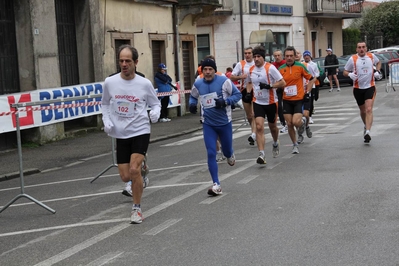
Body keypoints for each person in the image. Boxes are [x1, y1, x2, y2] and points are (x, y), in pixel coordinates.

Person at [101, 44, 161, 224]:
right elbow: (104, 104)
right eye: (121, 61)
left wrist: (155, 113)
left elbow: (155, 103)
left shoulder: (144, 83)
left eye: (128, 61)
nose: (124, 64)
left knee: (133, 170)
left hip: (140, 130)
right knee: (125, 176)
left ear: (136, 62)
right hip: (120, 132)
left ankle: (136, 209)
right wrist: (107, 121)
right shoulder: (110, 82)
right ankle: (143, 170)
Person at [189, 58, 242, 196]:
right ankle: (216, 184)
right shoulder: (198, 83)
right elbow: (193, 96)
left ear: (214, 70)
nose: (207, 72)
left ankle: (230, 153)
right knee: (211, 152)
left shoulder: (224, 81)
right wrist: (192, 104)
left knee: (227, 151)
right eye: (205, 69)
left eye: (210, 69)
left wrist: (225, 102)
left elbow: (238, 95)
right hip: (208, 124)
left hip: (224, 123)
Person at [246, 46, 286, 164]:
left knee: (273, 127)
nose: (256, 59)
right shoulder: (251, 70)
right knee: (259, 127)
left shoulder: (270, 68)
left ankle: (275, 142)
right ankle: (261, 154)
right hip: (258, 102)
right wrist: (248, 93)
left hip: (271, 102)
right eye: (255, 57)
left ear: (263, 58)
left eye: (258, 57)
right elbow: (249, 82)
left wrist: (270, 86)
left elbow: (283, 82)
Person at [278, 46, 316, 154]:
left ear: (294, 56)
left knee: (295, 122)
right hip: (286, 100)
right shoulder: (281, 69)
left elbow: (312, 78)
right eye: (287, 56)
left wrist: (307, 91)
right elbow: (277, 81)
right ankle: (295, 144)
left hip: (298, 99)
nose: (289, 58)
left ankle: (303, 122)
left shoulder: (300, 66)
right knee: (289, 124)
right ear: (284, 57)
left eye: (291, 56)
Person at [343, 41, 381, 143]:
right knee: (363, 111)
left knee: (369, 109)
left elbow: (379, 62)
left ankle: (368, 132)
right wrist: (350, 75)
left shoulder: (371, 56)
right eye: (359, 47)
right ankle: (365, 126)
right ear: (356, 49)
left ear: (366, 48)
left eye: (363, 47)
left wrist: (377, 71)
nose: (361, 49)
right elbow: (345, 71)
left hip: (370, 86)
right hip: (358, 88)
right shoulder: (353, 59)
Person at [230, 47, 257, 145]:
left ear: (253, 54)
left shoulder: (256, 63)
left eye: (249, 53)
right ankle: (254, 131)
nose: (247, 55)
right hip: (244, 90)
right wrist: (240, 77)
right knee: (249, 116)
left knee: (254, 114)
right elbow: (231, 77)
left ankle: (253, 134)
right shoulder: (240, 64)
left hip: (256, 90)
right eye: (245, 53)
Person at [301, 50, 320, 143]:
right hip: (300, 90)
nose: (306, 57)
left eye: (308, 56)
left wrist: (312, 82)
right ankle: (301, 132)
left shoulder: (312, 65)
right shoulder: (301, 64)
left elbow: (315, 74)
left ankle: (310, 116)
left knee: (311, 101)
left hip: (311, 86)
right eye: (305, 56)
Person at [272, 49, 287, 134]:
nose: (277, 57)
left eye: (278, 55)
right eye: (275, 56)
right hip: (277, 88)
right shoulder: (272, 65)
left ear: (282, 56)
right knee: (279, 107)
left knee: (286, 106)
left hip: (286, 88)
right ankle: (283, 124)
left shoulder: (285, 64)